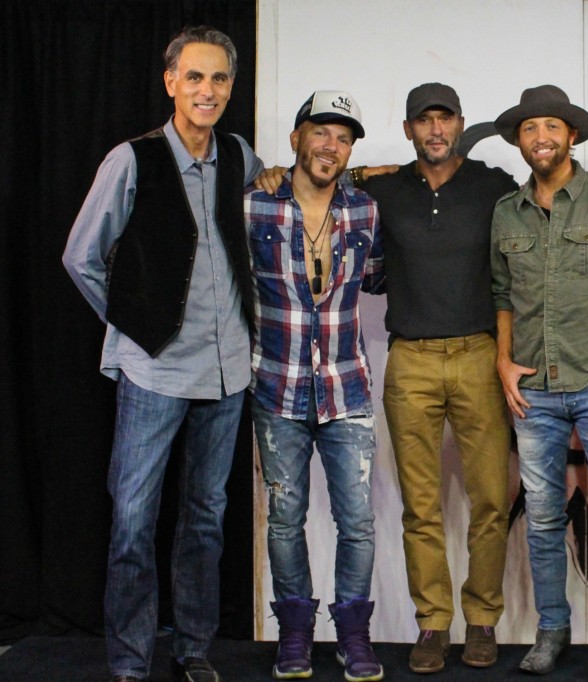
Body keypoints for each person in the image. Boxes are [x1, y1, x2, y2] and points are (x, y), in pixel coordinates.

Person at [62, 26, 264, 682]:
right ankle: (128, 662)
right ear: (171, 81)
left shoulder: (239, 157)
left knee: (205, 521)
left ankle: (194, 648)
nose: (208, 90)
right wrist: (135, 326)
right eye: (196, 77)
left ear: (231, 88)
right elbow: (81, 257)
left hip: (228, 370)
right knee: (133, 523)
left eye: (220, 79)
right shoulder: (133, 159)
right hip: (155, 373)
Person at [491, 84, 588, 682]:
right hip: (533, 388)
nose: (541, 138)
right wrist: (505, 361)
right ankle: (551, 630)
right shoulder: (507, 211)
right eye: (530, 129)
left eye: (551, 127)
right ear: (519, 140)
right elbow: (502, 294)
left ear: (572, 135)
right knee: (543, 516)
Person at [361, 83, 518, 674]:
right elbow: (323, 178)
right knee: (419, 506)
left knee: (489, 501)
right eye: (423, 121)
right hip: (411, 361)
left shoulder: (494, 186)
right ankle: (432, 625)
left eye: (444, 119)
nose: (435, 130)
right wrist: (276, 172)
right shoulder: (383, 190)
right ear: (407, 130)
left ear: (459, 124)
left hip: (480, 354)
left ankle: (481, 620)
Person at [245, 91, 384, 681]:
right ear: (298, 137)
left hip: (346, 387)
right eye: (321, 132)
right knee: (284, 518)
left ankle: (355, 637)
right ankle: (295, 635)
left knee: (356, 522)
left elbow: (376, 276)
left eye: (344, 137)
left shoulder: (365, 212)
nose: (331, 146)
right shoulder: (253, 206)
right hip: (275, 386)